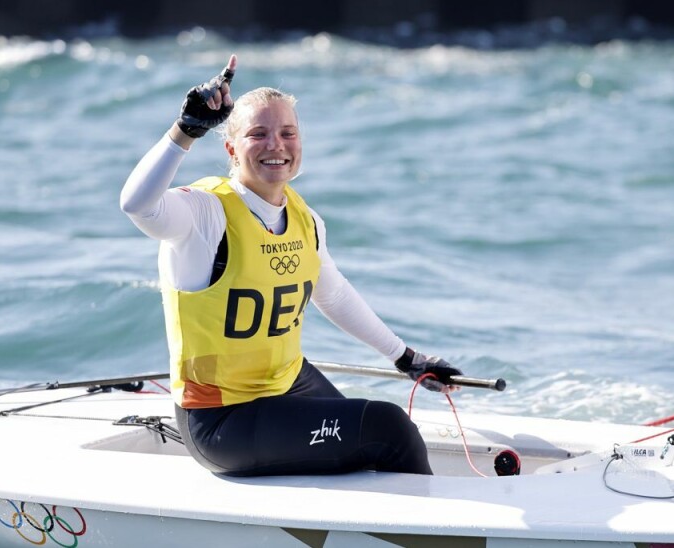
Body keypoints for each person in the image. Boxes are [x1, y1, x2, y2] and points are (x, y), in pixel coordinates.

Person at [120, 54, 461, 477]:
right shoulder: (205, 214)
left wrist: (407, 358)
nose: (275, 145)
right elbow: (137, 204)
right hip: (223, 419)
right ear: (230, 148)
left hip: (287, 383)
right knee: (389, 428)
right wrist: (185, 131)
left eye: (287, 133)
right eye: (257, 134)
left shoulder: (305, 219)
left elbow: (333, 293)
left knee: (377, 439)